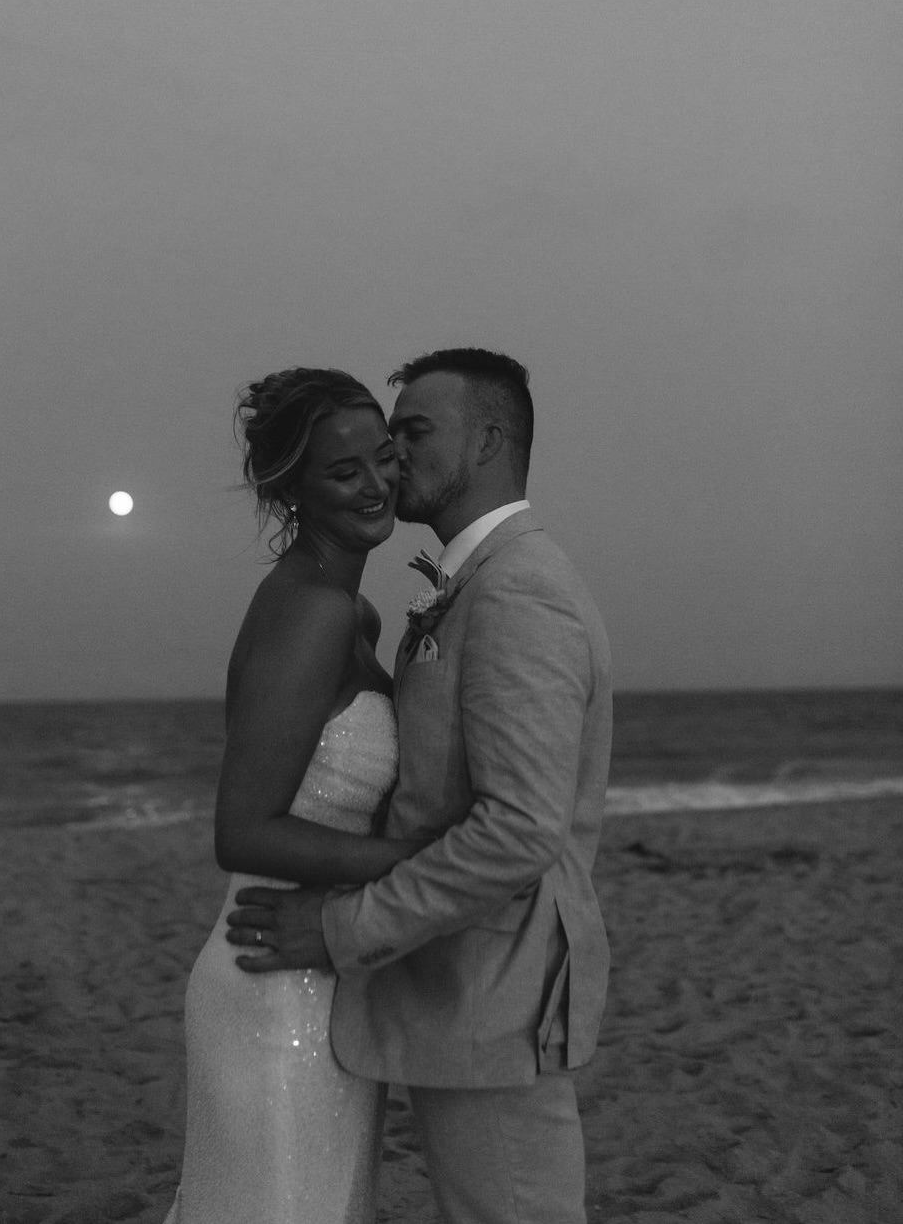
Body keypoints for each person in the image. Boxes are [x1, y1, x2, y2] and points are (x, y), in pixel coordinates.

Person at [228, 348, 613, 1224]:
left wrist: (340, 926)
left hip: (494, 999)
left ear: (485, 440)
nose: (394, 456)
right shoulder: (476, 583)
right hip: (454, 994)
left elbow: (518, 832)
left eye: (413, 431)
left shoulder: (518, 592)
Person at [163, 367, 421, 1224]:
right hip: (275, 988)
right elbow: (241, 830)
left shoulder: (351, 612)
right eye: (344, 473)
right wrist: (420, 864)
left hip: (325, 974)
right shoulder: (309, 610)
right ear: (292, 488)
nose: (377, 484)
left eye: (384, 457)